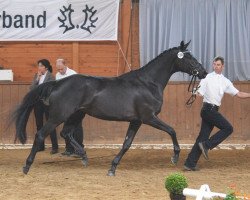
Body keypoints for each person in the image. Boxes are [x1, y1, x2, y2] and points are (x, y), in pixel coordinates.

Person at [184, 56, 250, 171]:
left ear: (222, 66)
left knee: (202, 137)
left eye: (218, 64)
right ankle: (207, 146)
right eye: (214, 64)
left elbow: (238, 94)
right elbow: (199, 92)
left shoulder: (225, 81)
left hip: (213, 111)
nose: (216, 66)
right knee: (228, 128)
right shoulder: (207, 78)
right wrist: (195, 91)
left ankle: (190, 163)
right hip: (207, 110)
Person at [55, 58, 84, 156]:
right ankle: (69, 149)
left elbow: (78, 90)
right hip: (65, 105)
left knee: (77, 127)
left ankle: (79, 150)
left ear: (65, 65)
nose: (60, 71)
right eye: (58, 69)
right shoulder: (57, 75)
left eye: (61, 69)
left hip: (75, 105)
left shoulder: (73, 74)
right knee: (66, 127)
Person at [30, 59, 59, 154]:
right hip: (37, 103)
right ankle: (40, 146)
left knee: (50, 124)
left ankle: (55, 147)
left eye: (41, 66)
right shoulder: (36, 75)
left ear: (46, 67)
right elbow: (32, 88)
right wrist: (37, 79)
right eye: (38, 66)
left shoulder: (51, 76)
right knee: (39, 124)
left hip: (47, 103)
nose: (39, 68)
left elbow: (50, 89)